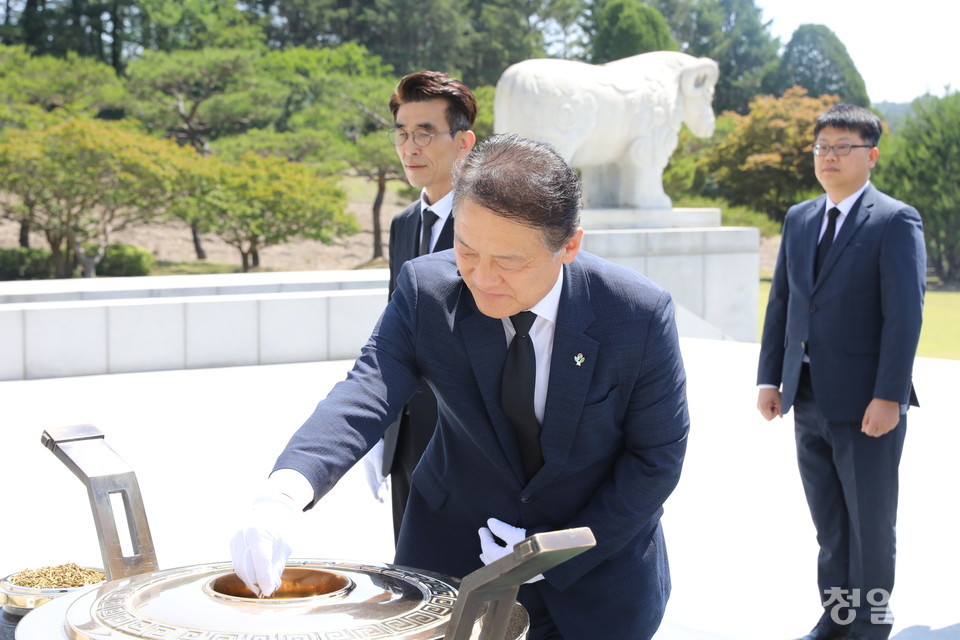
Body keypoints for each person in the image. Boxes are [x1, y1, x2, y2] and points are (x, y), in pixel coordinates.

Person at [231, 134, 690, 639]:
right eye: (466, 249)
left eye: (509, 261)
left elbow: (656, 459)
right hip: (453, 558)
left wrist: (553, 551)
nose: (481, 277)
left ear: (570, 246)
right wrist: (283, 494)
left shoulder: (635, 315)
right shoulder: (429, 290)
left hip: (598, 577)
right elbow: (366, 390)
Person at [757, 104, 925, 640]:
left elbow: (906, 315)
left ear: (871, 155)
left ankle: (872, 623)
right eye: (821, 147)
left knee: (870, 526)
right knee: (829, 524)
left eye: (842, 147)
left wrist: (889, 396)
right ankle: (838, 616)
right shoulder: (800, 218)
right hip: (806, 398)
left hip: (866, 403)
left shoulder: (895, 221)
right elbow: (782, 303)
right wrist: (770, 378)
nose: (828, 156)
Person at [362, 71, 478, 541]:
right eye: (402, 133)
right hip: (407, 436)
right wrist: (379, 421)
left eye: (425, 133)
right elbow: (395, 334)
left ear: (464, 141)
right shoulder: (403, 224)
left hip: (469, 445)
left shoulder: (490, 222)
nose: (410, 147)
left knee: (472, 598)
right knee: (411, 580)